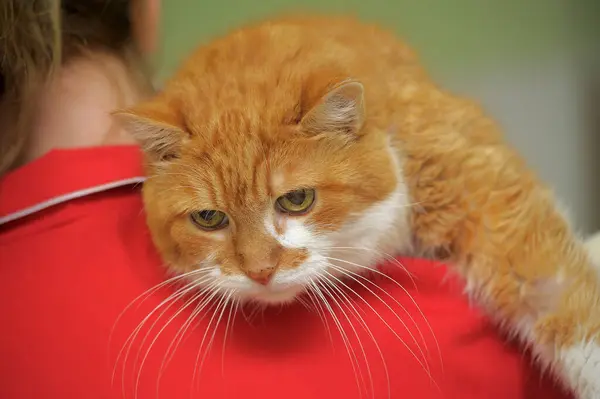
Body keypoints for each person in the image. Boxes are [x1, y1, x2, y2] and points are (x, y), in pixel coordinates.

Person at [0, 1, 572, 398]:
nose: (259, 266)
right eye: (210, 218)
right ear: (148, 13)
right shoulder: (451, 330)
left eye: (294, 199)